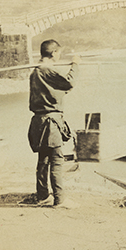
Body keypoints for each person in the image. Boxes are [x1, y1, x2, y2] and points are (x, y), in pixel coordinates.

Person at [26, 39, 77, 208]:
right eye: (58, 53)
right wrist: (75, 65)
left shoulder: (35, 72)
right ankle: (59, 199)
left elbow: (60, 88)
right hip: (50, 123)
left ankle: (42, 196)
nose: (59, 55)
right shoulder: (48, 70)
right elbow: (69, 82)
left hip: (38, 122)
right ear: (54, 53)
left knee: (43, 160)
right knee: (56, 160)